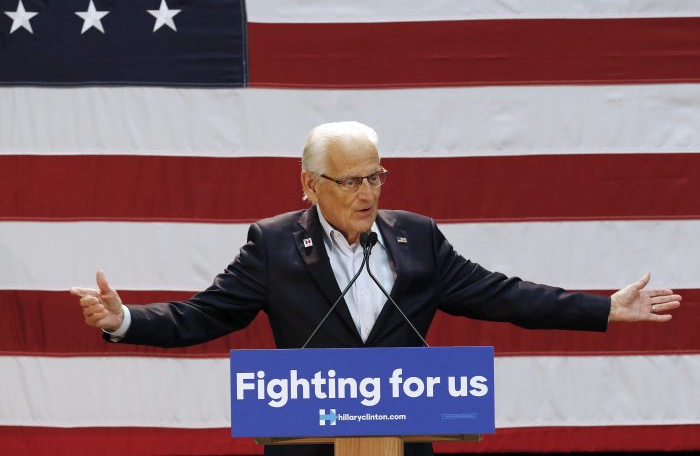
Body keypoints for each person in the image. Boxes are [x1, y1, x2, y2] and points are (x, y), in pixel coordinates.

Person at [71, 121, 681, 456]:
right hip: (307, 443)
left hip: (402, 438)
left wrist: (604, 309)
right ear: (309, 185)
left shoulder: (417, 239)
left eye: (376, 177)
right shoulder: (273, 244)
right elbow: (204, 316)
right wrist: (125, 320)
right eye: (350, 182)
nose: (367, 194)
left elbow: (505, 295)